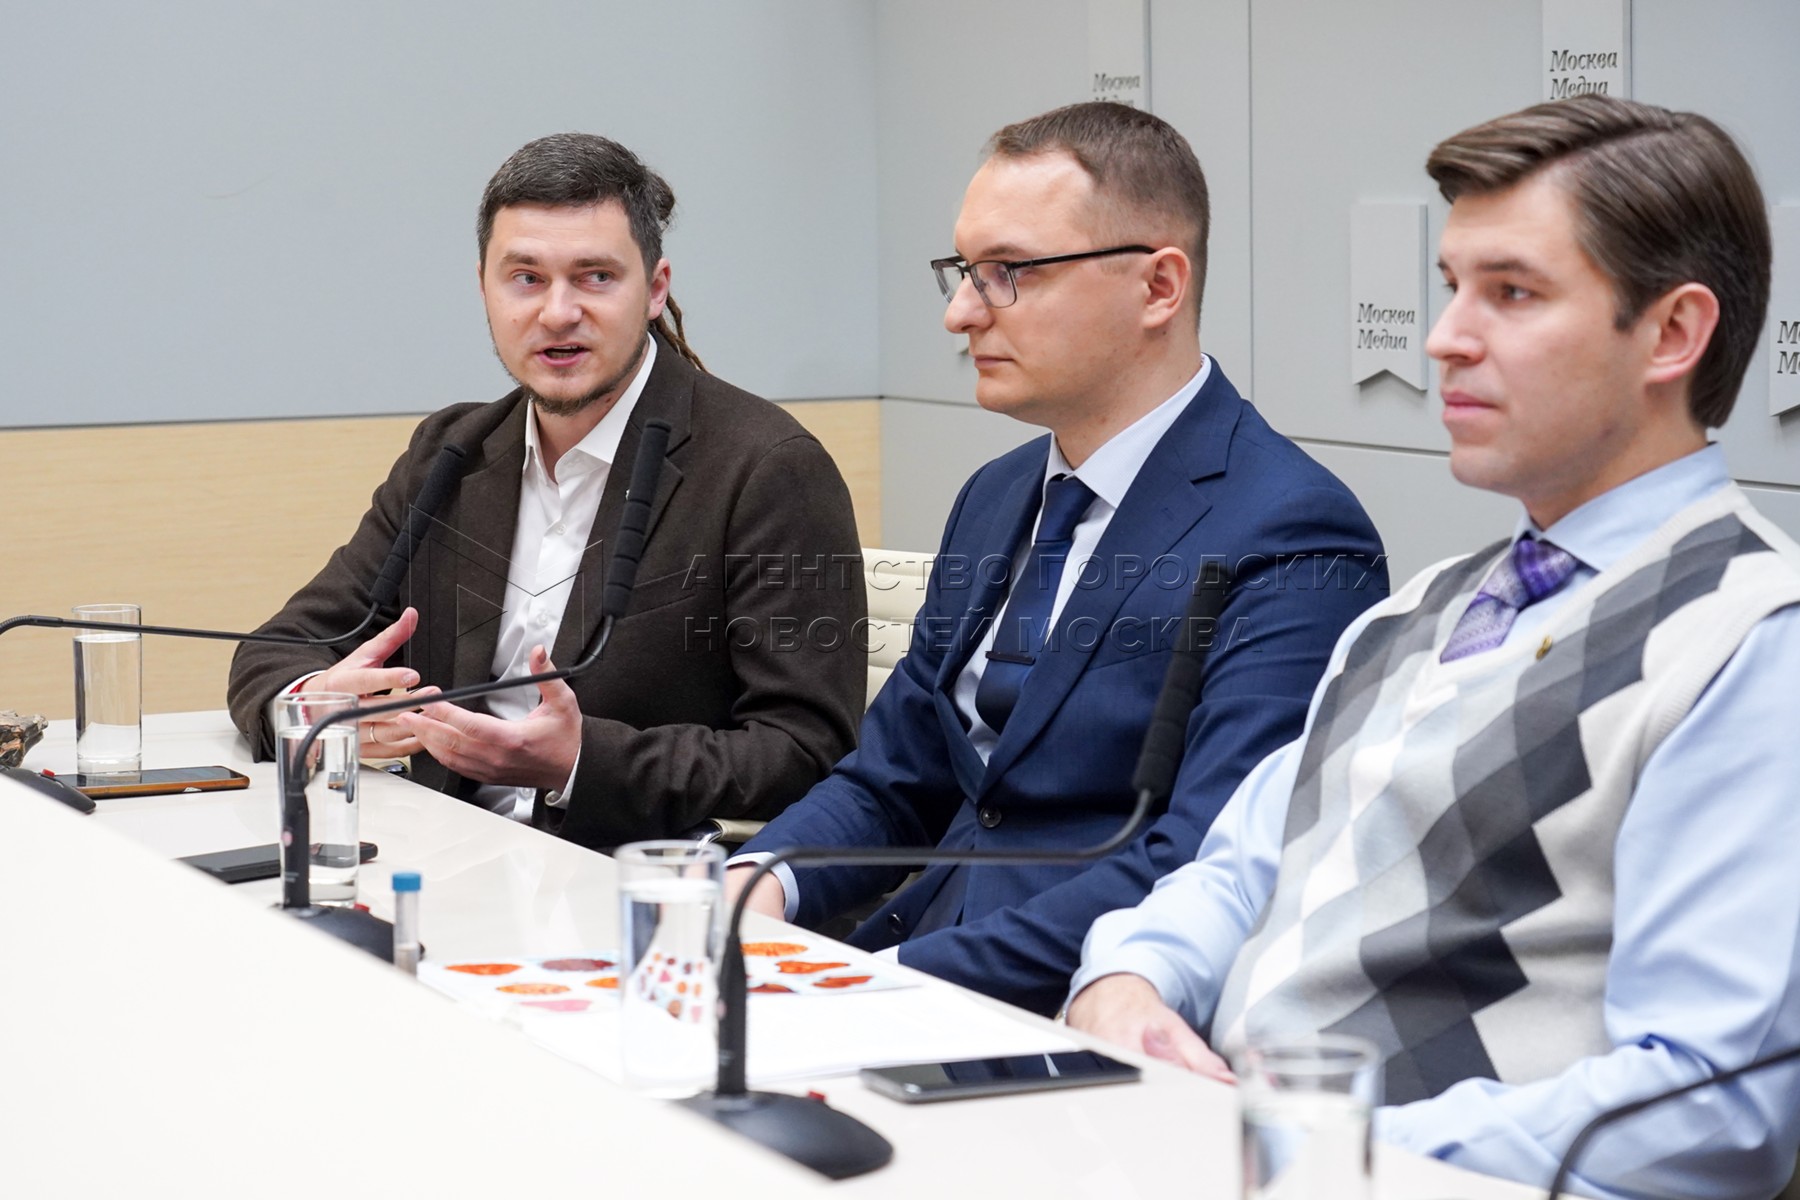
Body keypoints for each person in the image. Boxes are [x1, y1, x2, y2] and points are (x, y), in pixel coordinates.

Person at [1068, 94, 1800, 1199]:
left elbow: (1708, 1105)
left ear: (1673, 334)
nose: (1445, 336)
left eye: (1512, 293)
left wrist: (1323, 1138)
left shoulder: (1750, 644)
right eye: (1452, 284)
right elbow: (1244, 869)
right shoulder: (1419, 612)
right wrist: (1127, 980)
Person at [729, 102, 1388, 1015]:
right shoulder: (995, 496)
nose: (961, 313)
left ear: (1158, 288)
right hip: (910, 962)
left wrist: (882, 986)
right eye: (964, 272)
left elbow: (1200, 857)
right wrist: (750, 889)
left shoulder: (1295, 531)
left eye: (1009, 273)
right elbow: (894, 778)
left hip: (1088, 1009)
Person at [227, 133, 865, 847]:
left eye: (595, 277)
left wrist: (581, 762)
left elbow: (808, 751)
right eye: (526, 278)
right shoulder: (452, 451)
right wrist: (311, 705)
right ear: (484, 288)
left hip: (619, 868)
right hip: (436, 846)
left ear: (655, 288)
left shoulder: (767, 467)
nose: (558, 313)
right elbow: (276, 649)